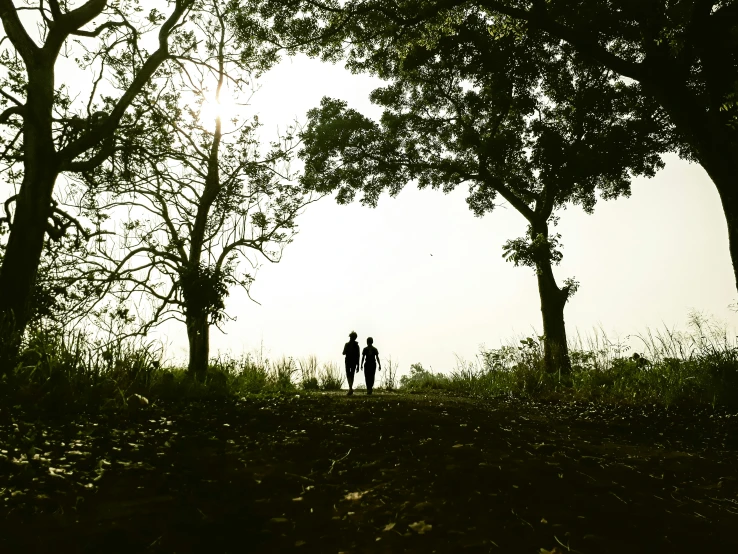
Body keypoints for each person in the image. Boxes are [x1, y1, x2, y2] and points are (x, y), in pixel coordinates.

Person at [342, 331, 360, 396]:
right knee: (351, 374)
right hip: (353, 361)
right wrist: (358, 365)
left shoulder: (347, 344)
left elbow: (343, 353)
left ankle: (350, 388)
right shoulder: (356, 346)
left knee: (349, 374)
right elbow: (358, 356)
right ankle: (350, 387)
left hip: (349, 361)